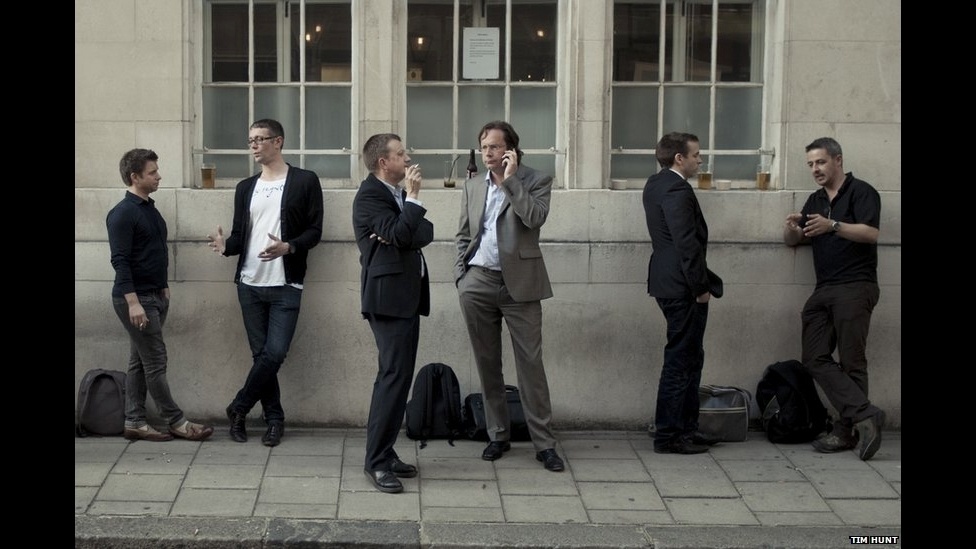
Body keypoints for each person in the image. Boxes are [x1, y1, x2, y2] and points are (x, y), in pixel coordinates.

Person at [454, 121, 564, 472]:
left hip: (522, 285)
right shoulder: (472, 186)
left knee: (531, 365)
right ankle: (497, 435)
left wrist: (511, 181)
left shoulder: (537, 180)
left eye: (495, 147)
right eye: (484, 147)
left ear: (511, 150)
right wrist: (462, 275)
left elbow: (534, 218)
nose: (488, 154)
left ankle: (544, 444)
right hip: (479, 282)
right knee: (487, 363)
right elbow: (463, 233)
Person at [207, 119, 323, 447]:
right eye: (251, 141)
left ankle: (239, 407)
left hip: (286, 283)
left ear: (279, 142)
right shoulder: (246, 187)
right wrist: (225, 245)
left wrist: (289, 246)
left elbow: (315, 231)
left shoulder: (304, 181)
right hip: (249, 283)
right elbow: (241, 237)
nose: (255, 145)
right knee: (261, 356)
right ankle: (273, 419)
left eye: (261, 139)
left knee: (275, 352)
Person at [783, 136, 884, 461]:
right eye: (811, 164)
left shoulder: (862, 192)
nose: (815, 169)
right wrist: (793, 230)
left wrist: (833, 225)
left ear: (837, 160)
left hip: (856, 285)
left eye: (821, 162)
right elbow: (793, 242)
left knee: (853, 361)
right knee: (814, 357)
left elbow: (870, 233)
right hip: (824, 288)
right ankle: (865, 414)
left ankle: (846, 431)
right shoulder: (814, 200)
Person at [107, 149, 215, 442]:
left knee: (140, 361)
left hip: (154, 295)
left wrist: (163, 285)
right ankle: (176, 420)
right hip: (136, 299)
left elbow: (154, 252)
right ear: (135, 176)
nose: (159, 176)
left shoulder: (148, 209)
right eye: (152, 172)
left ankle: (134, 421)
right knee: (156, 361)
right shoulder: (122, 213)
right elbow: (121, 261)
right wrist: (133, 303)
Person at [353, 133, 433, 494]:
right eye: (401, 153)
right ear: (384, 162)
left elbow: (423, 232)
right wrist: (413, 201)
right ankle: (376, 462)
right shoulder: (370, 196)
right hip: (388, 301)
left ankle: (385, 452)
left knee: (398, 379)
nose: (408, 157)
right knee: (392, 378)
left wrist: (404, 225)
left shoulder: (394, 196)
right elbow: (402, 234)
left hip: (406, 298)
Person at [642, 131, 723, 455]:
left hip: (668, 281)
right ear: (679, 158)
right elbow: (686, 243)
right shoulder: (676, 189)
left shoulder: (655, 184)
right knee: (680, 360)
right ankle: (670, 435)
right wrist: (700, 288)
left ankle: (686, 429)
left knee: (689, 357)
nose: (699, 159)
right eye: (695, 154)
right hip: (682, 285)